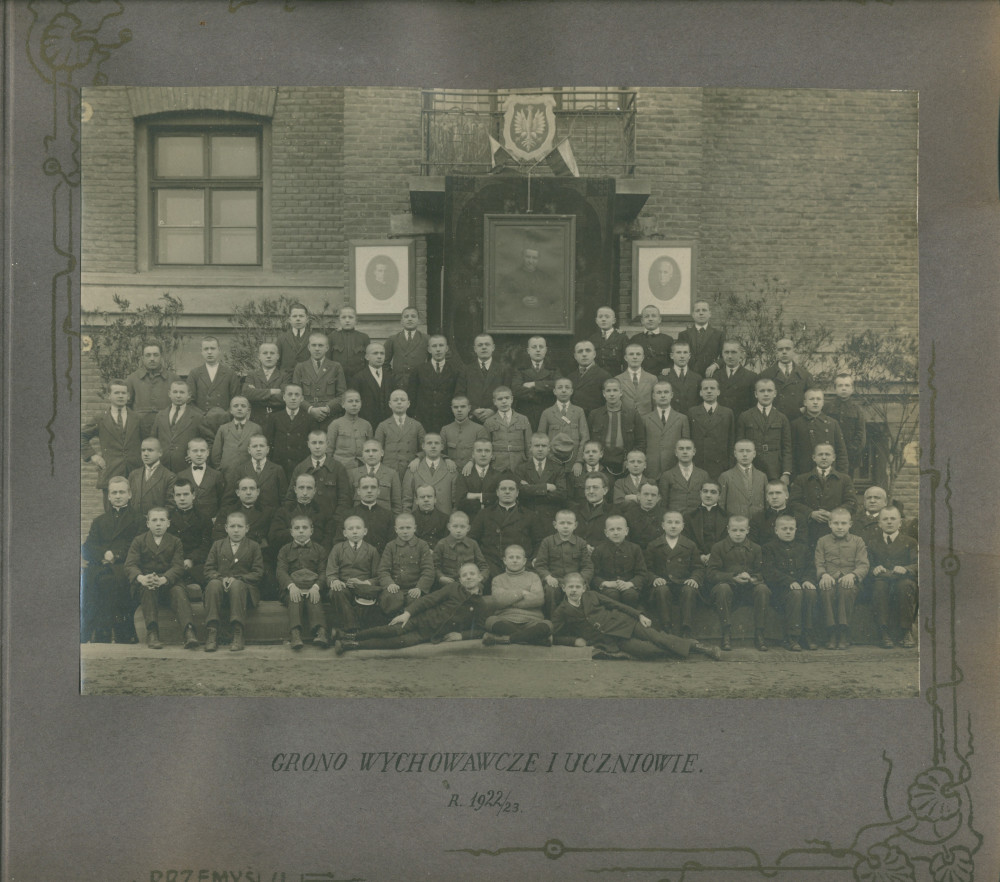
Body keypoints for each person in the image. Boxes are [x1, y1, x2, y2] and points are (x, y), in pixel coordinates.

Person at [552, 573, 720, 661]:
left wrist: (639, 615)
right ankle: (685, 650)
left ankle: (701, 648)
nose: (574, 590)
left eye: (577, 587)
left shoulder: (593, 595)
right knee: (648, 651)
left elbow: (617, 605)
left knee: (658, 638)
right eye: (570, 587)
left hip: (625, 623)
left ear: (583, 588)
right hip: (611, 640)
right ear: (563, 588)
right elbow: (555, 635)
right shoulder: (561, 610)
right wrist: (573, 641)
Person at [335, 561, 490, 654]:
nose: (468, 577)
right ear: (460, 580)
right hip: (420, 619)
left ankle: (352, 645)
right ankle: (349, 636)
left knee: (399, 643)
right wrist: (407, 614)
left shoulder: (480, 604)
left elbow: (481, 629)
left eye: (472, 574)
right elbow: (428, 600)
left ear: (480, 577)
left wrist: (461, 636)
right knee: (393, 629)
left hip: (430, 633)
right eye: (464, 575)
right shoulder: (452, 588)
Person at [81, 476, 144, 643]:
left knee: (110, 581)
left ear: (130, 494)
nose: (118, 496)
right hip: (100, 565)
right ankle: (97, 632)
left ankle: (119, 632)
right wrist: (104, 554)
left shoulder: (139, 519)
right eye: (114, 492)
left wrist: (115, 555)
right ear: (108, 496)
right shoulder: (99, 521)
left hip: (124, 565)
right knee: (91, 579)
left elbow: (137, 545)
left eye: (122, 492)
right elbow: (87, 547)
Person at [125, 507, 194, 650]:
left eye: (162, 520)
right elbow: (130, 565)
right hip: (147, 583)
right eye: (154, 520)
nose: (158, 524)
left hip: (168, 583)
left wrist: (164, 579)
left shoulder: (175, 541)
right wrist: (142, 578)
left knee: (179, 592)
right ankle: (152, 632)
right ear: (148, 523)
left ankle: (188, 632)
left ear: (168, 523)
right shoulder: (139, 541)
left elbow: (177, 567)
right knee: (148, 589)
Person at [202, 510, 265, 652]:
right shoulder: (217, 545)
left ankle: (238, 632)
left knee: (236, 585)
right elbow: (208, 570)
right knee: (212, 584)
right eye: (232, 526)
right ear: (226, 528)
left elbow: (258, 573)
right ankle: (212, 631)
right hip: (220, 589)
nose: (236, 530)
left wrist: (237, 579)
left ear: (247, 528)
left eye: (240, 526)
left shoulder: (253, 546)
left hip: (244, 591)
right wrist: (221, 578)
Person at [707, 514, 769, 651]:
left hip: (748, 590)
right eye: (734, 530)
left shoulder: (756, 548)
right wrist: (732, 577)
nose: (738, 534)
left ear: (748, 530)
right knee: (723, 588)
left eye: (741, 530)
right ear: (728, 529)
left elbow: (762, 572)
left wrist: (751, 578)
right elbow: (711, 574)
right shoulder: (718, 547)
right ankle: (726, 633)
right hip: (727, 590)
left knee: (762, 589)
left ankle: (760, 633)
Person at [81, 379, 143, 510]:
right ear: (109, 396)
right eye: (116, 393)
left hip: (134, 473)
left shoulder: (137, 418)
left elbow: (147, 442)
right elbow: (81, 436)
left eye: (123, 393)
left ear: (128, 396)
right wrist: (93, 456)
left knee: (135, 514)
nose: (120, 396)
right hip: (110, 472)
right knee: (111, 515)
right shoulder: (100, 418)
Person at [761, 514, 819, 652]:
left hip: (799, 588)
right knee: (796, 594)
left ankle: (808, 634)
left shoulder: (803, 548)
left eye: (791, 529)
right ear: (776, 530)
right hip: (779, 592)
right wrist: (789, 581)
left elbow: (811, 567)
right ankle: (792, 637)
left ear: (795, 530)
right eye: (784, 528)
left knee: (811, 592)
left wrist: (807, 580)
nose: (788, 531)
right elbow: (769, 572)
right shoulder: (769, 548)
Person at [815, 507, 869, 650]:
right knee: (826, 590)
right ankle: (832, 631)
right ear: (830, 524)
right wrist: (823, 575)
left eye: (843, 523)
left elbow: (863, 564)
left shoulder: (858, 541)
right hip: (830, 579)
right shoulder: (822, 541)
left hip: (851, 582)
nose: (840, 527)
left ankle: (843, 632)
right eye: (836, 523)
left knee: (846, 589)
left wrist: (853, 575)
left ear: (850, 524)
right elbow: (819, 562)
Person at [276, 514, 331, 650]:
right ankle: (295, 634)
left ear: (311, 530)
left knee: (314, 598)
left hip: (313, 588)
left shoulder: (320, 550)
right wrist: (291, 586)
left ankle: (321, 632)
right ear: (291, 531)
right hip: (292, 589)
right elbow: (281, 571)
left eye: (305, 528)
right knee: (295, 598)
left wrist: (316, 587)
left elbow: (324, 571)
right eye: (297, 528)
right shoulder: (285, 550)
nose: (301, 531)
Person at [646, 509, 705, 635]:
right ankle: (666, 626)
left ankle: (686, 628)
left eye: (677, 522)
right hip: (664, 584)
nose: (673, 526)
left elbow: (698, 567)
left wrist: (694, 578)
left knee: (690, 590)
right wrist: (654, 578)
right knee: (661, 590)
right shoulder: (654, 545)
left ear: (683, 526)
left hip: (682, 583)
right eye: (669, 522)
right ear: (663, 525)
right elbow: (646, 569)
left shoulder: (690, 545)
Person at [866, 505, 917, 649]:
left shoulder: (910, 542)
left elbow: (918, 564)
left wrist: (906, 569)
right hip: (882, 581)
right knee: (879, 587)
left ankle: (906, 631)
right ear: (879, 523)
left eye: (893, 519)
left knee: (904, 586)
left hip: (903, 580)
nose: (889, 522)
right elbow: (866, 565)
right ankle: (884, 632)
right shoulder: (872, 543)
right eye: (885, 519)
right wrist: (874, 569)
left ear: (900, 522)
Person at [790, 442, 858, 546]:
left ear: (834, 457)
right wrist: (810, 513)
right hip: (809, 531)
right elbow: (793, 503)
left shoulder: (844, 479)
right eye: (820, 454)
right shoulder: (802, 479)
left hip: (835, 531)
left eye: (827, 454)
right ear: (814, 457)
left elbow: (851, 503)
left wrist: (834, 515)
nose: (824, 457)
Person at [482, 545, 552, 647]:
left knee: (548, 625)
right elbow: (498, 601)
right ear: (505, 560)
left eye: (518, 558)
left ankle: (504, 639)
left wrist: (509, 599)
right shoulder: (498, 579)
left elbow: (538, 599)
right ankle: (534, 640)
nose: (514, 560)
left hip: (532, 621)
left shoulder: (533, 577)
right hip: (506, 620)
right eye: (511, 557)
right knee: (490, 621)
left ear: (524, 561)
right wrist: (522, 592)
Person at [469, 478, 539, 578]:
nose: (507, 492)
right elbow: (472, 540)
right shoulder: (484, 514)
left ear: (517, 493)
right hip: (491, 565)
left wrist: (533, 559)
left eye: (511, 489)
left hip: (520, 565)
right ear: (497, 492)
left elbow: (539, 541)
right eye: (503, 489)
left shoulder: (529, 515)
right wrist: (481, 561)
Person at [325, 515, 382, 634]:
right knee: (335, 592)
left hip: (363, 589)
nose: (355, 531)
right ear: (345, 533)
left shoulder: (372, 550)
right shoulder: (337, 549)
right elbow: (330, 573)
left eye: (358, 528)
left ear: (365, 531)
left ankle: (349, 631)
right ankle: (353, 628)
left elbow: (378, 577)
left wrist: (364, 583)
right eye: (350, 529)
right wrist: (335, 581)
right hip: (344, 588)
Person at [285, 429, 354, 528]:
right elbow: (290, 498)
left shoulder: (338, 468)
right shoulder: (300, 468)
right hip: (304, 525)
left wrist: (335, 521)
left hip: (330, 524)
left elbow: (344, 500)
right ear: (308, 444)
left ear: (327, 444)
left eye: (321, 443)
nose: (317, 446)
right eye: (314, 443)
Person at [532, 509, 594, 615]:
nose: (565, 526)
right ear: (555, 525)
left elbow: (587, 566)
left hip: (575, 581)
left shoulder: (581, 543)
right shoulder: (547, 542)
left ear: (575, 525)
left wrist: (580, 580)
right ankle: (552, 621)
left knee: (581, 591)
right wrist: (548, 577)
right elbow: (540, 565)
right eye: (562, 523)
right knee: (550, 591)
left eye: (569, 523)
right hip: (554, 581)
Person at [376, 513, 435, 617]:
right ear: (396, 529)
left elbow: (428, 570)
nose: (405, 531)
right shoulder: (390, 546)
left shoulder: (422, 545)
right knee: (390, 599)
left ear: (414, 528)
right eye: (401, 528)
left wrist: (419, 588)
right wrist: (390, 584)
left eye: (408, 527)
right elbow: (383, 570)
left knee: (415, 602)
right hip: (395, 588)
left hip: (414, 588)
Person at [735, 378, 793, 483]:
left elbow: (787, 448)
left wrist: (786, 473)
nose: (766, 394)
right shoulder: (745, 416)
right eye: (762, 391)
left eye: (769, 391)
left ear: (775, 393)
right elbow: (739, 445)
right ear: (756, 394)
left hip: (775, 468)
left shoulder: (782, 418)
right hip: (753, 465)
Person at [407, 335, 465, 434]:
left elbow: (458, 394)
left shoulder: (456, 371)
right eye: (434, 346)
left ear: (446, 348)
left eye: (441, 345)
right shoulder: (418, 370)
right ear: (429, 349)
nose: (438, 349)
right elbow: (411, 396)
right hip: (423, 420)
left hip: (447, 420)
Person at [291, 332, 347, 430]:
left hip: (330, 417)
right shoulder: (300, 367)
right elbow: (295, 395)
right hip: (306, 416)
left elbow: (342, 395)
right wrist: (310, 409)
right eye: (314, 345)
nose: (317, 348)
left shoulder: (335, 367)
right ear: (309, 347)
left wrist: (327, 409)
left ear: (327, 348)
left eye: (320, 345)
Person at [587, 378, 641, 479]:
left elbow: (641, 441)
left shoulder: (632, 414)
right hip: (602, 463)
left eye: (615, 390)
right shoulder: (595, 414)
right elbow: (589, 440)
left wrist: (631, 460)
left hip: (625, 464)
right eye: (608, 391)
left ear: (621, 392)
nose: (612, 394)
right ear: (604, 393)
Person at [496, 237, 559, 323]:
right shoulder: (510, 277)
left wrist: (540, 301)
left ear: (538, 259)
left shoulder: (546, 278)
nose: (531, 261)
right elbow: (502, 298)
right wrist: (520, 300)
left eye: (534, 258)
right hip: (517, 320)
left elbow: (555, 298)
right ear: (522, 257)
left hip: (540, 320)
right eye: (528, 257)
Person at [590, 515, 647, 609]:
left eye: (619, 529)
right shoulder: (599, 550)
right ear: (606, 533)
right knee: (611, 595)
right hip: (608, 588)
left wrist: (630, 584)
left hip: (629, 586)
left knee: (630, 595)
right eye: (612, 529)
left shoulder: (635, 549)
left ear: (626, 531)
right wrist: (606, 583)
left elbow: (642, 573)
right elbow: (594, 575)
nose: (616, 533)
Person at [167, 479, 213, 594]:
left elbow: (206, 544)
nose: (182, 498)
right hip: (173, 561)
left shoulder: (204, 518)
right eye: (178, 495)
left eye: (186, 494)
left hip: (196, 563)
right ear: (174, 497)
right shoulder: (167, 517)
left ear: (193, 495)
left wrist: (192, 559)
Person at [790, 388, 849, 478]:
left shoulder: (832, 423)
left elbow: (841, 452)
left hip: (830, 474)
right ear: (805, 403)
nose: (815, 402)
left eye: (818, 399)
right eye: (811, 399)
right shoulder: (796, 424)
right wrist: (794, 477)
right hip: (804, 473)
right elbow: (792, 453)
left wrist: (842, 476)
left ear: (823, 402)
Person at [151, 379, 205, 473]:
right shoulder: (160, 415)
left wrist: (196, 455)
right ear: (169, 394)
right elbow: (153, 439)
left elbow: (206, 440)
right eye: (175, 392)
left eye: (182, 392)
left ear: (189, 395)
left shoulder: (197, 417)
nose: (178, 395)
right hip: (162, 466)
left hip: (185, 466)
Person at [687, 377, 735, 481]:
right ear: (700, 392)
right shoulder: (692, 412)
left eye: (712, 388)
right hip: (698, 463)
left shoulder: (727, 413)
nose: (709, 391)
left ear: (718, 392)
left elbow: (731, 441)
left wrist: (730, 465)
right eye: (705, 388)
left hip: (720, 465)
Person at [639, 381, 690, 478]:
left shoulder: (682, 418)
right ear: (653, 396)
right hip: (652, 468)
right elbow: (642, 444)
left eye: (666, 392)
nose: (663, 395)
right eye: (659, 393)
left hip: (674, 467)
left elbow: (686, 446)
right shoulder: (645, 419)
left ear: (671, 395)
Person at [269, 473, 333, 550]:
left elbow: (328, 539)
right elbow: (274, 537)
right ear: (295, 489)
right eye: (301, 488)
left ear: (315, 490)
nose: (305, 493)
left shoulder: (324, 512)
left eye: (309, 488)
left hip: (316, 556)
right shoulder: (283, 511)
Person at [514, 433, 569, 522]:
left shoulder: (557, 468)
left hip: (550, 517)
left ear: (549, 449)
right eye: (536, 446)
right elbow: (520, 492)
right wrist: (546, 487)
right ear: (530, 448)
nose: (540, 449)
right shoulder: (521, 468)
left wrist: (530, 489)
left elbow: (562, 494)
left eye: (543, 446)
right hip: (527, 516)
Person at [126, 342, 177, 437]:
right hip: (140, 431)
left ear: (161, 357)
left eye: (156, 355)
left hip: (167, 430)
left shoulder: (173, 379)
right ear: (142, 358)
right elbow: (126, 407)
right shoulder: (132, 379)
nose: (152, 359)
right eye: (148, 355)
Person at [225, 433, 287, 512]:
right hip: (247, 515)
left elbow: (284, 498)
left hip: (271, 515)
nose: (258, 449)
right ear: (249, 450)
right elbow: (229, 498)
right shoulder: (240, 470)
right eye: (254, 446)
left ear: (267, 449)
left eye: (261, 446)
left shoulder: (277, 469)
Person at [537, 378, 589, 469]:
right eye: (560, 388)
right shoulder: (547, 413)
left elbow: (585, 438)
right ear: (554, 391)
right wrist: (549, 457)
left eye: (567, 387)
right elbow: (541, 439)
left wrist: (579, 461)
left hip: (573, 462)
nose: (564, 390)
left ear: (571, 391)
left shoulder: (579, 411)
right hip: (552, 461)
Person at [264, 383, 313, 479]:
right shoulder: (274, 417)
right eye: (290, 394)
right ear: (284, 397)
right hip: (279, 466)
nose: (293, 398)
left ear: (302, 398)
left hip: (301, 467)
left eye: (297, 395)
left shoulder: (309, 419)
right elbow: (268, 443)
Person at [186, 335, 241, 420]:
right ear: (201, 351)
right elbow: (189, 401)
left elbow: (236, 399)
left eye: (212, 348)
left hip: (224, 421)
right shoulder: (194, 374)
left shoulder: (230, 373)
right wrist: (202, 416)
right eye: (206, 349)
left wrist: (225, 416)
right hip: (201, 421)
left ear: (219, 350)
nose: (209, 352)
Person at [375, 389, 426, 477]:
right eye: (395, 400)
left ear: (408, 404)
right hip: (389, 471)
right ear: (390, 404)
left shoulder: (417, 425)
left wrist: (418, 459)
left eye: (402, 400)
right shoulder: (383, 426)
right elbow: (376, 450)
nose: (399, 402)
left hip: (411, 470)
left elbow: (425, 448)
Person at [759, 338, 813, 421]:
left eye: (788, 349)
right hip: (774, 421)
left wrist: (802, 410)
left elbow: (811, 398)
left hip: (798, 420)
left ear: (793, 351)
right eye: (780, 349)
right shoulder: (766, 375)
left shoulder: (805, 375)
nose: (784, 352)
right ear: (776, 353)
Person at [210, 396, 262, 484]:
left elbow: (260, 451)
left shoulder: (256, 428)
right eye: (236, 406)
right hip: (227, 473)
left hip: (249, 473)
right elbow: (216, 453)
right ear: (230, 410)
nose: (239, 408)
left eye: (243, 406)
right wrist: (220, 470)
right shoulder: (223, 428)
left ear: (248, 410)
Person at [511, 336, 559, 430]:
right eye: (534, 347)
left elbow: (559, 385)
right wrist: (542, 392)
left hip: (548, 411)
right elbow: (516, 390)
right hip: (526, 412)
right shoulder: (520, 369)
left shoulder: (553, 369)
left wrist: (534, 384)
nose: (538, 350)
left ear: (546, 350)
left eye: (541, 347)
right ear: (528, 350)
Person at [824, 373, 867, 477]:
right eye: (840, 385)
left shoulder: (857, 410)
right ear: (835, 389)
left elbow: (860, 434)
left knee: (846, 483)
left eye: (847, 385)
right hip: (829, 455)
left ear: (852, 389)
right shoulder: (827, 408)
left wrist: (850, 451)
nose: (844, 388)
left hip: (849, 456)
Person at [483, 386, 532, 473]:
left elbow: (529, 444)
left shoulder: (523, 419)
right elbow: (486, 446)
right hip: (498, 464)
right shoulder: (489, 422)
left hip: (519, 462)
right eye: (500, 399)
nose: (504, 401)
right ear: (494, 402)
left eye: (507, 398)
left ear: (512, 399)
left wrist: (530, 463)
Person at [403, 434, 456, 514]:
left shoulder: (451, 469)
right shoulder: (413, 468)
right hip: (418, 519)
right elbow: (406, 500)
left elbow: (455, 501)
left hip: (444, 519)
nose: (433, 446)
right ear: (423, 446)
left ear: (442, 447)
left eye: (436, 443)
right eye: (429, 443)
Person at [434, 511, 490, 587]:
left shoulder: (473, 544)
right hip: (449, 585)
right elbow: (435, 566)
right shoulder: (442, 544)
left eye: (462, 527)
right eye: (455, 526)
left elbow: (484, 566)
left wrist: (481, 578)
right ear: (449, 527)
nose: (458, 530)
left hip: (470, 584)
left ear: (468, 528)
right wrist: (441, 577)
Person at [175, 437, 224, 522]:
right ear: (188, 453)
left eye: (202, 450)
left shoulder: (217, 475)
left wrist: (217, 517)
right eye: (195, 451)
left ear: (208, 452)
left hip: (211, 521)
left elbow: (222, 500)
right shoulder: (181, 475)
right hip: (188, 522)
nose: (199, 454)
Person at [455, 438, 506, 518]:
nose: (483, 454)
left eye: (487, 451)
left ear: (492, 455)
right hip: (470, 520)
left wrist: (476, 496)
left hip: (493, 520)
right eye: (479, 451)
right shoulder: (464, 475)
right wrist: (487, 499)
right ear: (473, 454)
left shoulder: (499, 476)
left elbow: (501, 500)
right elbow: (460, 502)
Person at [749, 480, 811, 546]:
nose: (774, 497)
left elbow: (802, 545)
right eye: (771, 493)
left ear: (786, 495)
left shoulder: (798, 518)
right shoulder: (758, 518)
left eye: (778, 493)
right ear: (767, 497)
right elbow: (754, 545)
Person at [241, 341, 289, 426]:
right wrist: (272, 391)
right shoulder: (252, 375)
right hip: (256, 420)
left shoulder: (284, 376)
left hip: (278, 421)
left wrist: (257, 394)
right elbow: (247, 394)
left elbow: (284, 398)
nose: (269, 356)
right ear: (259, 356)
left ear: (278, 356)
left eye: (272, 353)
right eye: (265, 353)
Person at [349, 438, 402, 514]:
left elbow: (397, 506)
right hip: (359, 520)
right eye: (367, 451)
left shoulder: (392, 474)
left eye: (374, 450)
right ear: (362, 454)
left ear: (382, 453)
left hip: (383, 520)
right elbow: (348, 503)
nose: (371, 454)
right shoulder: (353, 473)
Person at [464, 334, 509, 423]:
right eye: (480, 345)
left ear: (493, 347)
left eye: (487, 344)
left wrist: (493, 410)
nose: (484, 347)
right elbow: (460, 394)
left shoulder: (503, 370)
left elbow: (509, 394)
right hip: (472, 419)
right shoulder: (466, 370)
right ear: (475, 349)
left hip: (496, 419)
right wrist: (473, 410)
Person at [350, 341, 395, 430]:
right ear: (367, 357)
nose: (379, 356)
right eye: (375, 353)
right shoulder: (358, 378)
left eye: (382, 353)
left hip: (388, 426)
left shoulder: (391, 377)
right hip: (367, 425)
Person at [657, 438, 709, 515]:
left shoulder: (703, 475)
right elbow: (663, 504)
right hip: (675, 520)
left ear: (694, 452)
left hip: (698, 519)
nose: (685, 452)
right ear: (676, 452)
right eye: (681, 449)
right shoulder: (667, 475)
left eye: (688, 448)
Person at [718, 439, 767, 519]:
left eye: (748, 451)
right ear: (735, 454)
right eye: (741, 451)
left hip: (758, 525)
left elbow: (766, 504)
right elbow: (720, 505)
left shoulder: (762, 476)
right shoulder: (726, 476)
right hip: (735, 525)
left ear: (754, 454)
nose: (745, 454)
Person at [127, 437, 176, 517]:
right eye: (143, 450)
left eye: (150, 450)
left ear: (160, 453)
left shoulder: (169, 477)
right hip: (134, 522)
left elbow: (171, 505)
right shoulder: (134, 474)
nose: (145, 454)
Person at [683, 482, 729, 566]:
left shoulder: (728, 517)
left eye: (713, 492)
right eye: (705, 491)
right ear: (700, 493)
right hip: (695, 561)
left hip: (721, 562)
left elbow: (727, 541)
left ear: (719, 496)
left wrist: (714, 555)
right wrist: (699, 555)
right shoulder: (688, 517)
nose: (708, 495)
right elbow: (687, 540)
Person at [383, 307, 429, 392]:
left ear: (418, 320)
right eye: (406, 316)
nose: (410, 319)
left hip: (420, 383)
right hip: (399, 383)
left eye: (413, 316)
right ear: (401, 321)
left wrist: (426, 376)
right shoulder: (393, 339)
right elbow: (384, 362)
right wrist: (392, 377)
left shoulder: (426, 339)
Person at [326, 389, 372, 470]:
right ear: (343, 404)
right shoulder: (335, 424)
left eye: (357, 401)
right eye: (350, 401)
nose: (354, 404)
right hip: (341, 468)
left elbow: (370, 449)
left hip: (362, 468)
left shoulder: (366, 425)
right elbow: (329, 450)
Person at [347, 475, 395, 553]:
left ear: (378, 491)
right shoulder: (349, 515)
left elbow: (392, 544)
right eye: (365, 487)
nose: (369, 491)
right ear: (358, 491)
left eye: (373, 487)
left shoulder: (388, 515)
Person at [440, 395, 489, 471]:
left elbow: (484, 451)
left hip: (473, 470)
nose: (459, 410)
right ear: (452, 409)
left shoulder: (479, 429)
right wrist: (446, 459)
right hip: (451, 471)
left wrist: (472, 462)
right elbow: (439, 450)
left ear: (469, 408)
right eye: (456, 407)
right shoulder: (445, 429)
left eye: (463, 407)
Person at [677, 300, 725, 378]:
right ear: (693, 314)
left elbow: (725, 356)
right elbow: (678, 356)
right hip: (688, 377)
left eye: (704, 310)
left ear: (710, 314)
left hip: (711, 376)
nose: (701, 313)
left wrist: (715, 365)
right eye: (697, 310)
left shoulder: (719, 334)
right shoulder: (683, 335)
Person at [566, 340, 612, 414]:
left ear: (594, 354)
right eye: (580, 351)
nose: (584, 354)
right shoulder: (570, 377)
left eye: (588, 350)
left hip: (593, 421)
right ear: (575, 356)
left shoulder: (604, 376)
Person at [574, 473, 618, 549]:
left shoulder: (614, 512)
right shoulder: (575, 510)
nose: (591, 491)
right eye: (587, 488)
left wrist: (597, 549)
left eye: (595, 488)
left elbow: (616, 538)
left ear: (605, 490)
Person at [714, 340, 758, 416]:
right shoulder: (715, 376)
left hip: (741, 422)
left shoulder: (751, 377)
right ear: (722, 354)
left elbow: (754, 405)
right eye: (726, 352)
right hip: (720, 422)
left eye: (734, 352)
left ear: (741, 354)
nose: (730, 356)